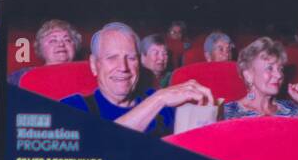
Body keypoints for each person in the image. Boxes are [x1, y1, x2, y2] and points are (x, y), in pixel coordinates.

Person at [61, 22, 214, 135]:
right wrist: (159, 99)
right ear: (95, 65)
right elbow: (99, 147)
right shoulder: (73, 107)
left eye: (131, 58)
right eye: (112, 58)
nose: (123, 67)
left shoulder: (163, 106)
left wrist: (204, 111)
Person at [222, 37, 298, 124]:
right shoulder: (227, 114)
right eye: (270, 68)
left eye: (280, 69)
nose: (279, 75)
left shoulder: (291, 109)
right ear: (248, 75)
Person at [9, 19, 82, 86]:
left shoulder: (86, 74)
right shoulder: (20, 76)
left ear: (75, 46)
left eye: (67, 40)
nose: (61, 44)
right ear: (40, 48)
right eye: (53, 40)